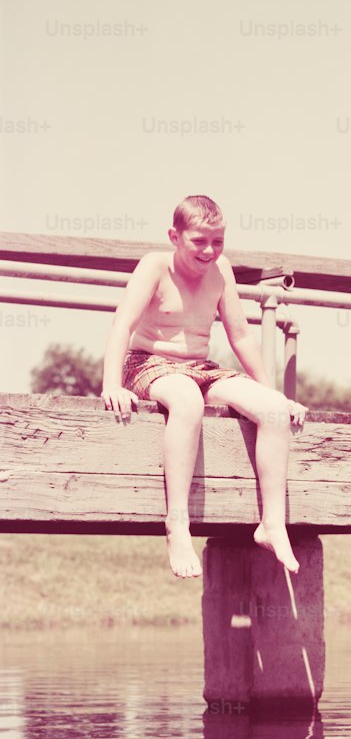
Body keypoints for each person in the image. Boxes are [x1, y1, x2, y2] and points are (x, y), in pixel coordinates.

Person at [102, 195, 305, 578]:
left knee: (275, 411)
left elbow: (241, 335)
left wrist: (273, 392)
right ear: (175, 236)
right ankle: (178, 524)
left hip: (201, 367)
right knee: (187, 399)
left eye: (218, 242)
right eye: (199, 241)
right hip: (148, 363)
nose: (209, 251)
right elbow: (122, 325)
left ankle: (272, 525)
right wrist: (111, 383)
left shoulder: (221, 270)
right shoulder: (154, 266)